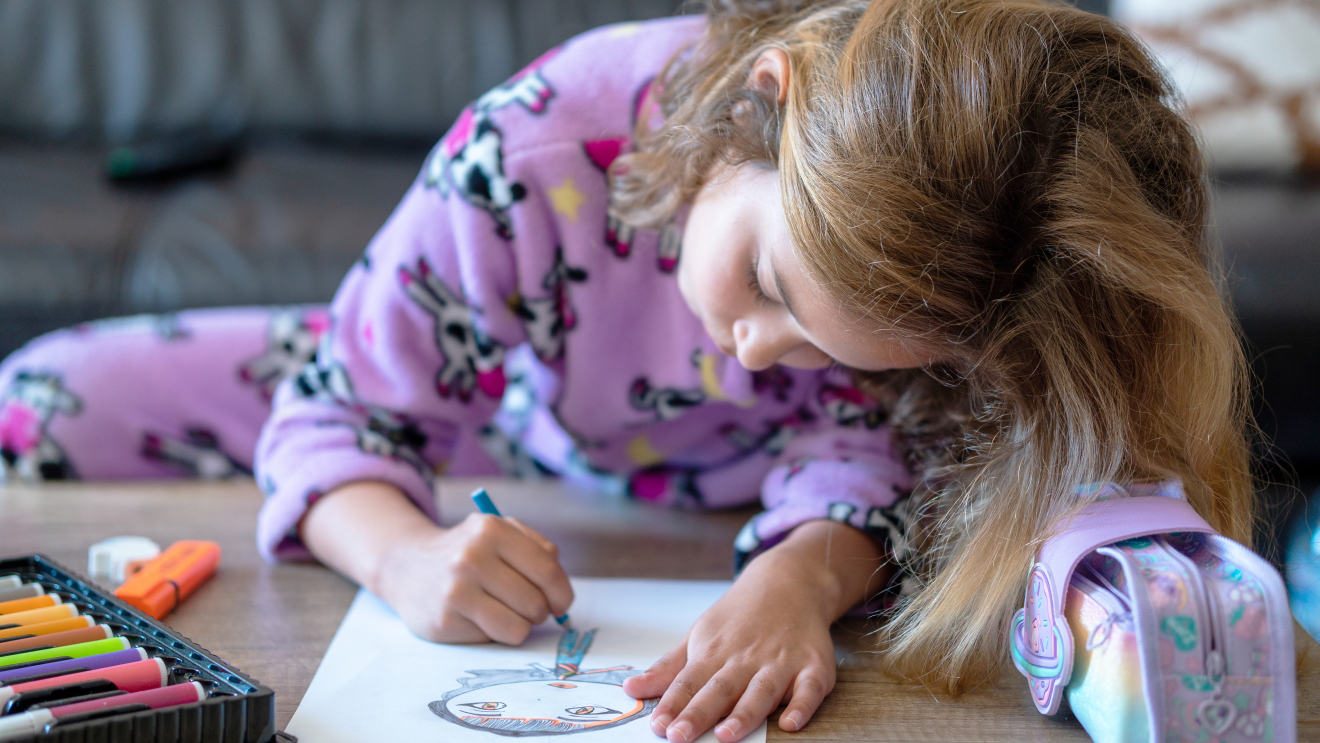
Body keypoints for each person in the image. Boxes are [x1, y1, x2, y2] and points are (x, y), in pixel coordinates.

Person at [0, 1, 1255, 742]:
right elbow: (348, 406)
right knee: (44, 396)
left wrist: (806, 571)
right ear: (757, 110)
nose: (760, 351)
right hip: (497, 405)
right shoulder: (534, 144)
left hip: (740, 489)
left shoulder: (972, 270)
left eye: (834, 349)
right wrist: (401, 554)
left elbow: (883, 458)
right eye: (767, 284)